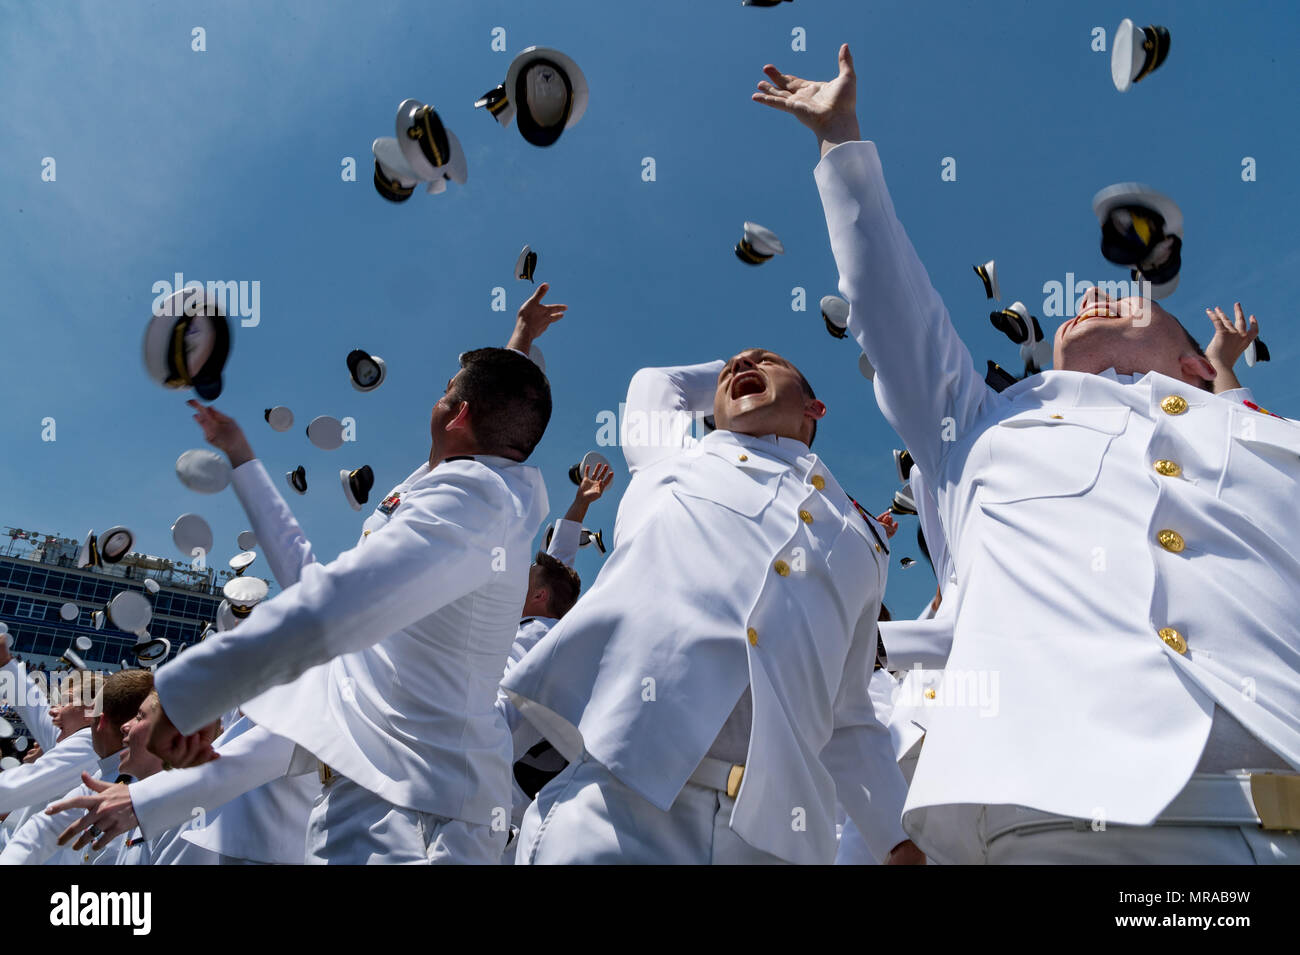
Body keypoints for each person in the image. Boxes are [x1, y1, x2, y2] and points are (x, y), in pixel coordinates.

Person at [754, 44, 1300, 863]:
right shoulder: (978, 423)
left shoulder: (1271, 438)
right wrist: (842, 143)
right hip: (1059, 827)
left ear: (1195, 365)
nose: (1089, 295)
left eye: (1124, 298)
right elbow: (892, 310)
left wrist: (1231, 385)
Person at [143, 287, 562, 864]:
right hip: (390, 793)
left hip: (417, 813)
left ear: (457, 414)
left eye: (445, 395)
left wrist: (191, 692)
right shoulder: (466, 486)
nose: (435, 403)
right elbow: (308, 573)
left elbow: (336, 602)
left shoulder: (473, 498)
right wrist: (242, 456)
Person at [503, 348, 921, 865]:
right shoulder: (672, 461)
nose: (743, 363)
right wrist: (736, 365)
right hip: (616, 810)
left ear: (816, 409)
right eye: (733, 367)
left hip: (771, 842)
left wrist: (895, 839)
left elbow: (848, 715)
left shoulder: (864, 544)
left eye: (769, 361)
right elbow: (658, 380)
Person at [499, 462, 612, 861]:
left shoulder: (529, 639)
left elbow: (498, 707)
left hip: (496, 803)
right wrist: (580, 503)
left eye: (524, 580)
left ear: (539, 599)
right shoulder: (557, 633)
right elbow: (556, 563)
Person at [0, 670, 153, 865]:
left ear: (97, 718)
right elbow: (43, 829)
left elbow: (17, 790)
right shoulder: (101, 769)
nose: (54, 710)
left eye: (66, 701)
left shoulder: (88, 744)